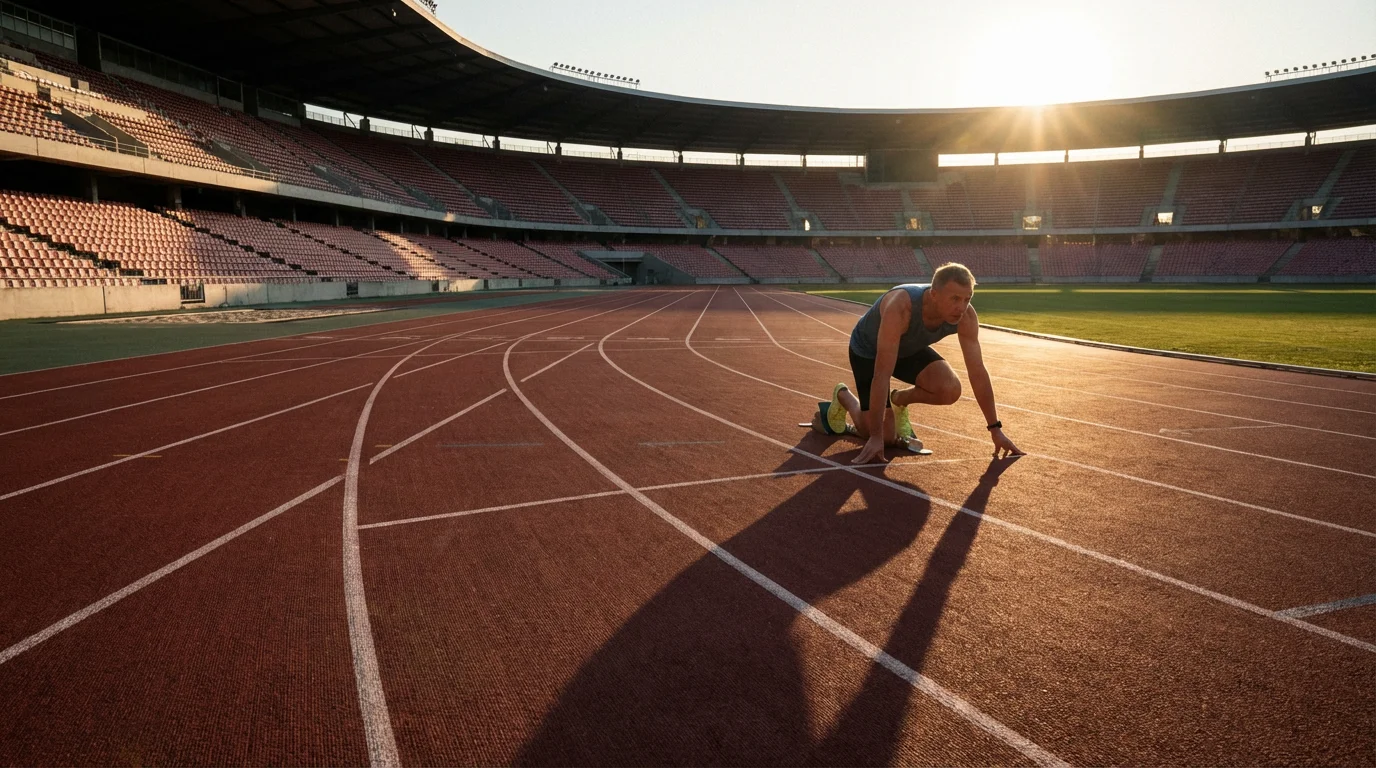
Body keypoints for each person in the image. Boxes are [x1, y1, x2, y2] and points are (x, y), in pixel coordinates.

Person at [816, 263, 1023, 463]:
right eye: (954, 298)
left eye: (967, 299)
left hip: (908, 349)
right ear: (934, 294)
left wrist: (995, 430)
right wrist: (876, 437)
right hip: (869, 352)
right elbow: (881, 375)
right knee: (886, 437)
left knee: (950, 389)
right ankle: (844, 397)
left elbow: (977, 371)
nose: (961, 307)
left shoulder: (966, 316)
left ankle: (898, 399)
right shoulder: (901, 307)